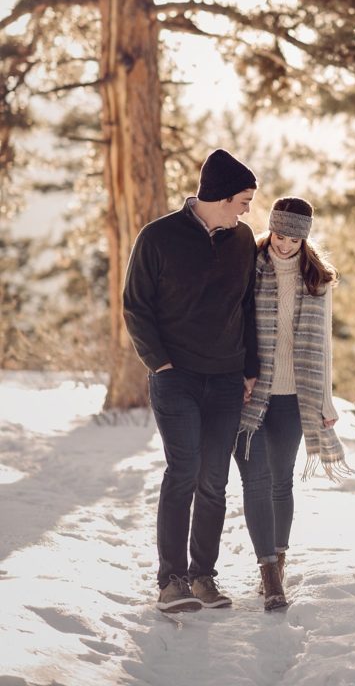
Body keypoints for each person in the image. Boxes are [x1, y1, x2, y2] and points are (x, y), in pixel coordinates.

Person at [123, 148, 259, 613]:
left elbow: (246, 308)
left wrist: (249, 367)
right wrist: (159, 363)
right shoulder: (158, 237)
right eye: (243, 200)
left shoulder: (241, 241)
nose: (247, 210)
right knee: (183, 472)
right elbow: (135, 306)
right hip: (175, 378)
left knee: (214, 481)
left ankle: (203, 577)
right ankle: (171, 582)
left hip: (225, 380)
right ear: (220, 197)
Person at [234, 196, 352, 611]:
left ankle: (278, 563)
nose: (283, 245)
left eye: (293, 238)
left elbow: (323, 345)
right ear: (271, 228)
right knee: (255, 481)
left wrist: (324, 400)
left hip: (292, 397)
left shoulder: (316, 276)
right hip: (249, 394)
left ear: (306, 238)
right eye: (279, 235)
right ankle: (269, 576)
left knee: (281, 483)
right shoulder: (249, 264)